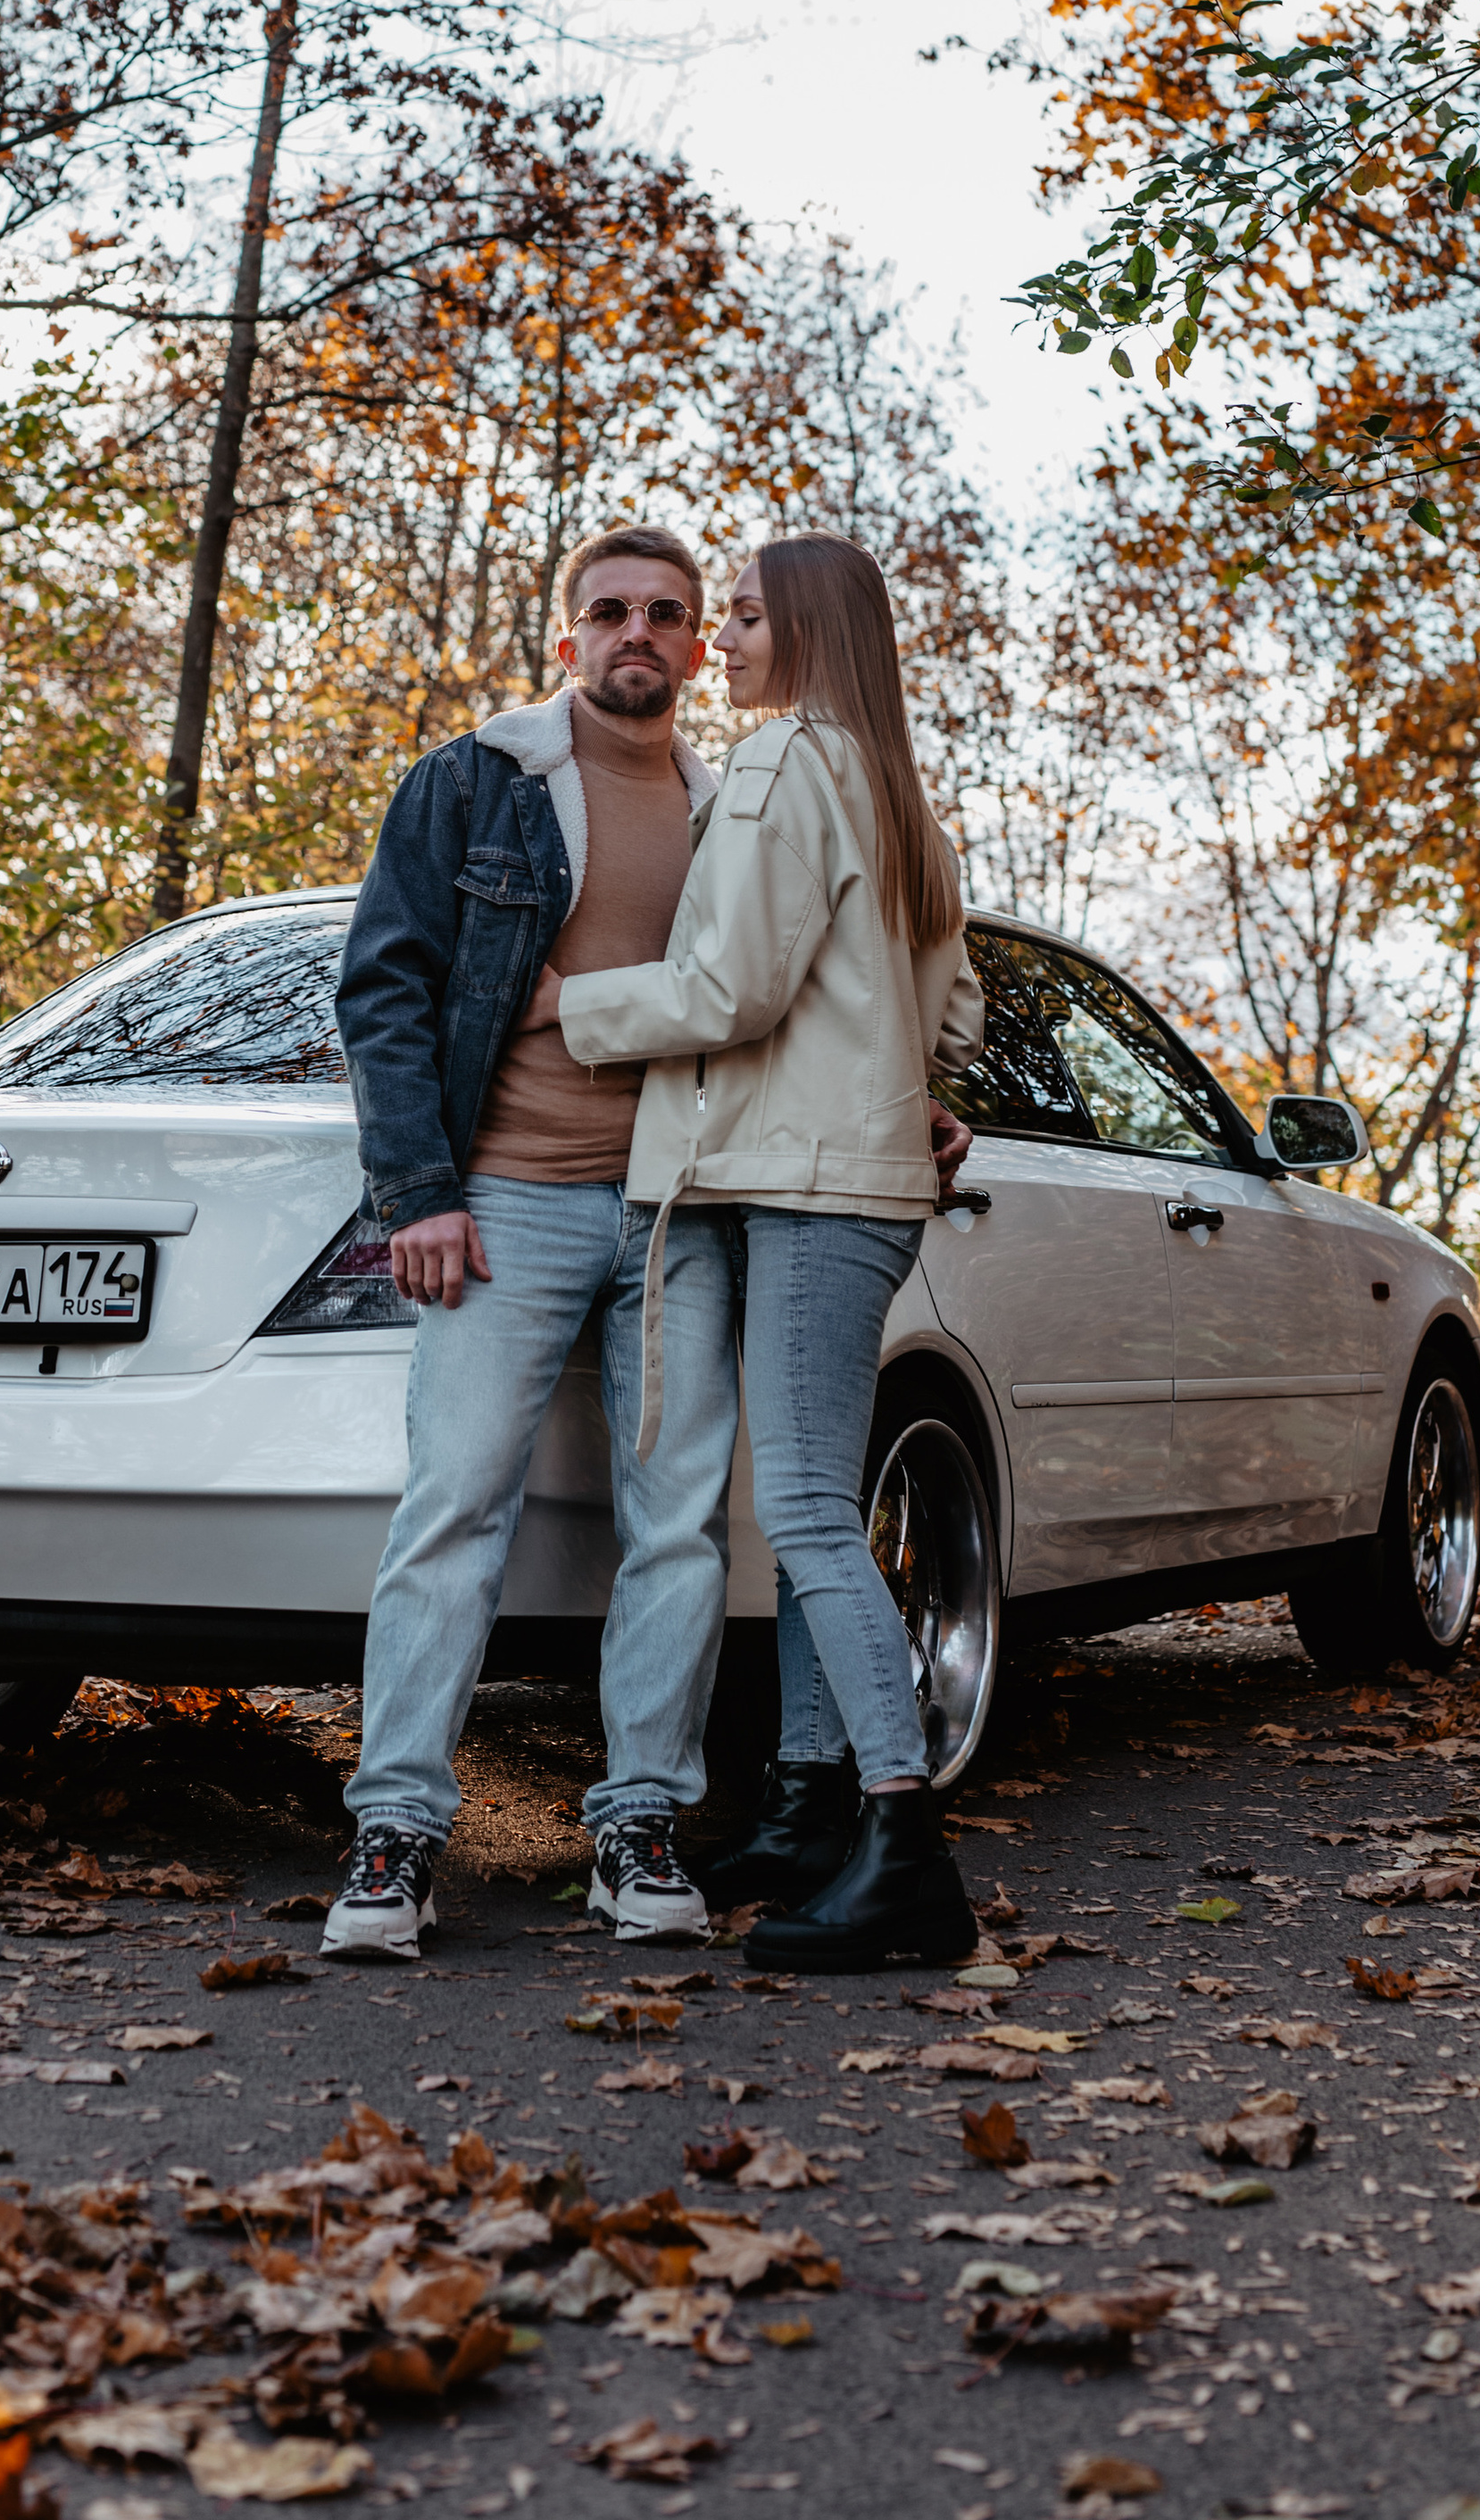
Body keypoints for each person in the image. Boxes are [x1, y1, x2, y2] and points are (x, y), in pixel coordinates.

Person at [518, 531, 986, 1973]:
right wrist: (918, 1087)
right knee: (809, 1509)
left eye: (740, 616)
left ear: (811, 632)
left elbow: (733, 987)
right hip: (849, 1180)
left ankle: (904, 1844)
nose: (718, 639)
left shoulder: (783, 760)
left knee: (804, 1512)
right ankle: (803, 1808)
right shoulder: (897, 789)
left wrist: (568, 1005)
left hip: (808, 1185)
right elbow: (957, 1007)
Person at [322, 526, 744, 1959]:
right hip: (504, 1203)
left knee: (677, 1524)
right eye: (611, 610)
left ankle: (640, 1824)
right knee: (454, 1512)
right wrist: (420, 1192)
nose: (639, 631)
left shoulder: (732, 810)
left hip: (681, 1211)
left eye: (667, 613)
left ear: (698, 646)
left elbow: (789, 992)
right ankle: (395, 1833)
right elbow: (385, 988)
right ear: (570, 639)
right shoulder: (475, 782)